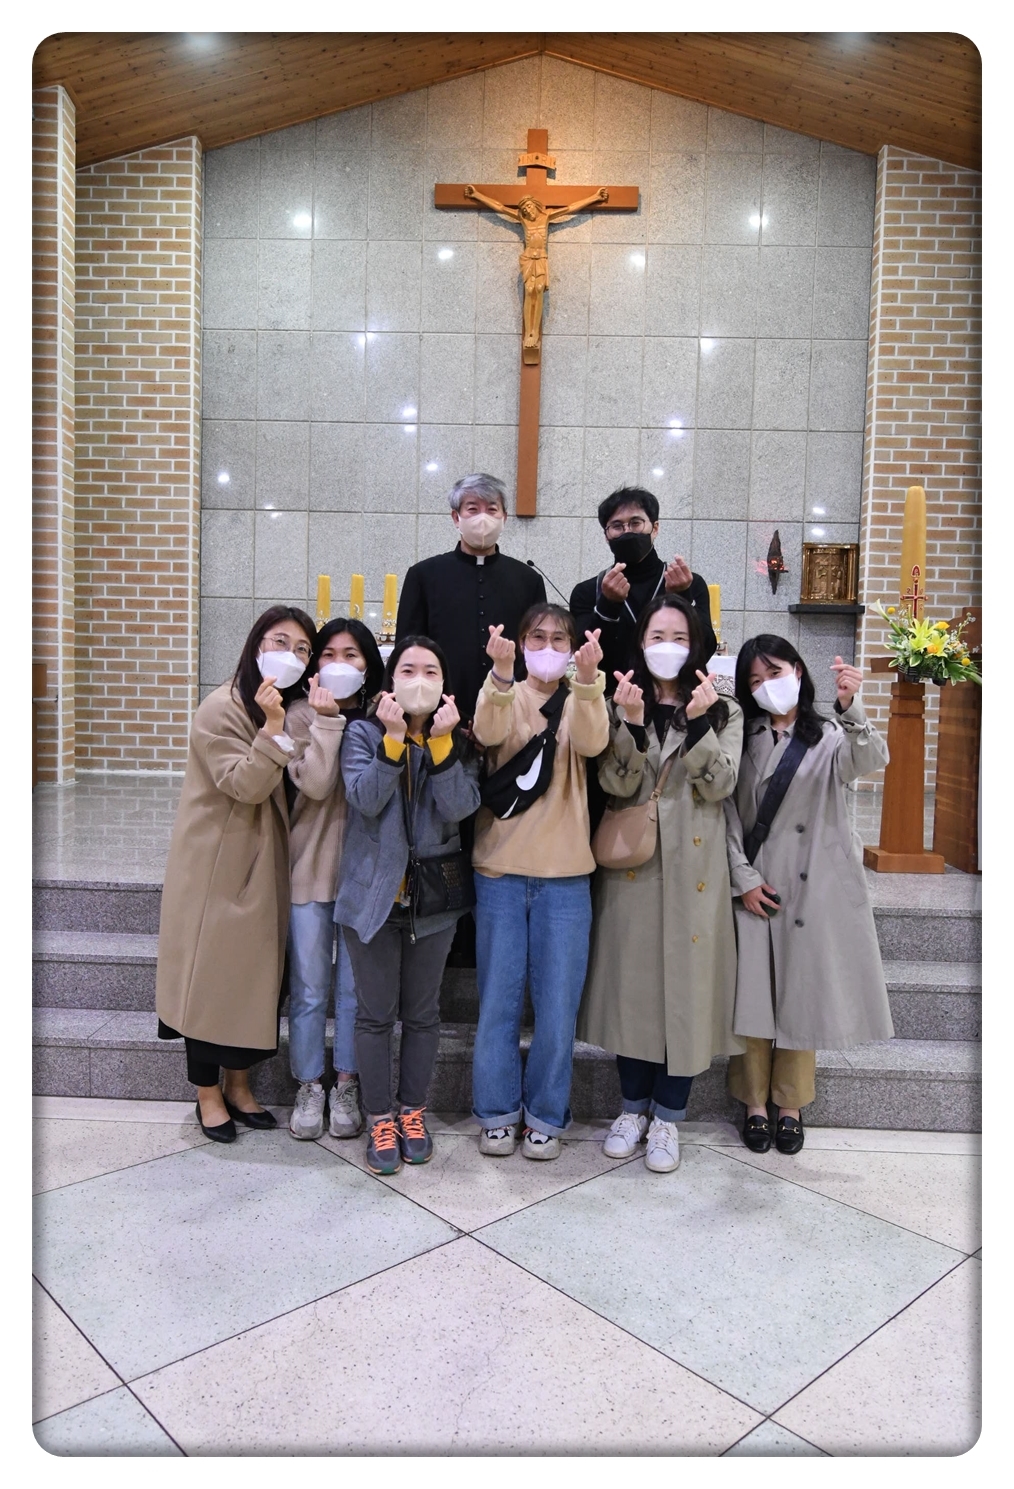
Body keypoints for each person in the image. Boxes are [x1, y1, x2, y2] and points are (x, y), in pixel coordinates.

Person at [578, 595, 744, 1173]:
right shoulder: (623, 698)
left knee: (688, 994)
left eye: (678, 636)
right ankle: (631, 1109)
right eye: (656, 636)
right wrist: (629, 724)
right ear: (641, 643)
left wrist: (698, 723)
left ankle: (669, 1117)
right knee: (635, 990)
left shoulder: (723, 708)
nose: (667, 647)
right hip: (636, 866)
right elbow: (615, 784)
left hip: (696, 872)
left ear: (695, 644)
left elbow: (721, 785)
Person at [724, 635, 894, 1155]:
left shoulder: (830, 734)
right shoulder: (741, 736)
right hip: (758, 883)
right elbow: (725, 812)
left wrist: (851, 705)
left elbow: (870, 758)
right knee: (753, 996)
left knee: (802, 994)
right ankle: (754, 1103)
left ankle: (791, 1104)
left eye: (773, 673)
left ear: (797, 671)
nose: (765, 686)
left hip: (813, 885)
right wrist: (743, 878)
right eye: (754, 680)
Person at [156, 606, 317, 1143]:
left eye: (302, 649)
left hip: (260, 862)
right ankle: (208, 1093)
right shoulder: (221, 708)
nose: (291, 655)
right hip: (219, 866)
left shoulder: (282, 706)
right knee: (210, 981)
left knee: (252, 983)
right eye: (280, 642)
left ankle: (240, 1085)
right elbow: (245, 785)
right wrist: (272, 730)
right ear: (256, 646)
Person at [334, 636, 481, 1175]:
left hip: (433, 903)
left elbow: (460, 806)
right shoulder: (362, 733)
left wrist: (440, 746)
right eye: (408, 669)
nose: (419, 679)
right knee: (374, 1016)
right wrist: (393, 741)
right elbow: (364, 798)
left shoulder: (457, 741)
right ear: (391, 679)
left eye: (431, 671)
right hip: (373, 899)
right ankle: (379, 1117)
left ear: (445, 684)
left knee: (422, 1015)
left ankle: (412, 1112)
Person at [470, 604, 610, 1160]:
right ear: (520, 643)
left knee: (557, 1010)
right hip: (501, 872)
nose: (547, 647)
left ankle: (547, 1116)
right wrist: (501, 675)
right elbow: (488, 732)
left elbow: (593, 744)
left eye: (558, 639)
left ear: (573, 648)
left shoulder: (581, 696)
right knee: (498, 1004)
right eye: (537, 637)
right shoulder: (504, 690)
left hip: (566, 877)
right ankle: (496, 1113)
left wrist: (590, 680)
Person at [284, 618, 385, 1142]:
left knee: (352, 990)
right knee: (308, 987)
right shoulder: (300, 717)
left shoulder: (382, 716)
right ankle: (308, 1084)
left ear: (368, 664)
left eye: (352, 655)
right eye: (329, 654)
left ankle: (346, 1082)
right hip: (310, 870)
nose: (339, 664)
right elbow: (319, 785)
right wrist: (326, 721)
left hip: (363, 878)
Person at [395, 473, 545, 727]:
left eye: (492, 509)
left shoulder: (528, 579)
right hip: (439, 710)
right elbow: (407, 647)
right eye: (473, 509)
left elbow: (536, 647)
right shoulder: (423, 575)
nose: (482, 518)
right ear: (456, 517)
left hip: (511, 709)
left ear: (504, 517)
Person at [569, 486, 717, 692]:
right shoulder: (588, 591)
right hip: (613, 699)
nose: (627, 531)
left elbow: (705, 648)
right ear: (606, 535)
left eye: (636, 523)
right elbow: (584, 655)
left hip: (678, 697)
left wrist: (682, 597)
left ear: (654, 528)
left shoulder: (687, 583)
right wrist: (607, 605)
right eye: (617, 526)